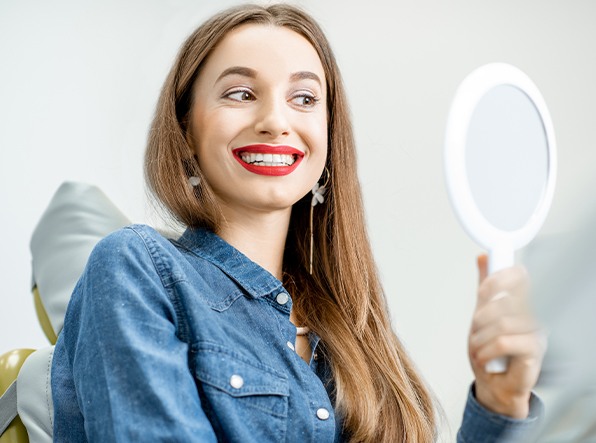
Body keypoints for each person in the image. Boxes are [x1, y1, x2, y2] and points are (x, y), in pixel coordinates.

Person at [51, 3, 545, 442]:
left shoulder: (355, 333)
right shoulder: (136, 267)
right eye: (241, 93)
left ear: (328, 137)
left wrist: (500, 407)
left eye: (304, 99)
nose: (275, 120)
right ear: (186, 128)